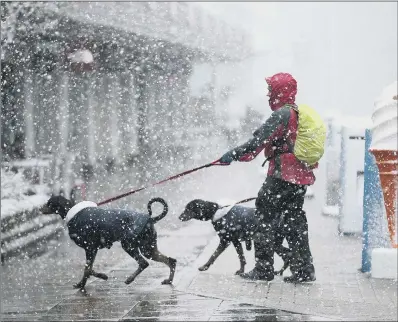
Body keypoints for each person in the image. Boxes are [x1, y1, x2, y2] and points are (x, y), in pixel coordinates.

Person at [219, 72, 317, 283]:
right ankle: (304, 269)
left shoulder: (282, 114)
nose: (268, 94)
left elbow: (257, 142)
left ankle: (263, 268)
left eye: (271, 90)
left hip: (282, 175)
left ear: (279, 91)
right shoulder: (297, 113)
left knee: (264, 218)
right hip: (300, 177)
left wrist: (232, 154)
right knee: (294, 222)